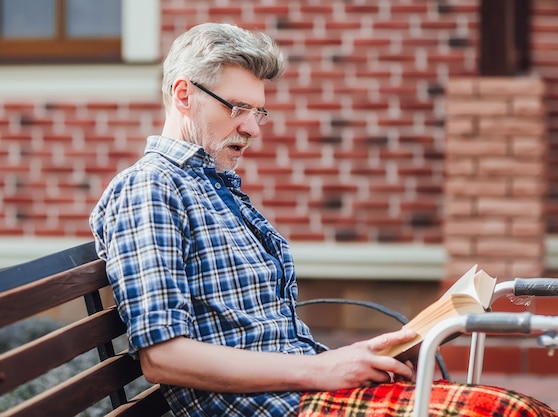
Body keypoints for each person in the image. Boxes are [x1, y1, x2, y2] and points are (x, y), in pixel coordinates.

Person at [89, 22, 417, 417]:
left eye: (257, 111)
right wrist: (323, 369)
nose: (250, 128)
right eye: (237, 108)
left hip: (303, 397)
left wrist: (356, 360)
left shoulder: (211, 186)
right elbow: (164, 358)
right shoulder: (150, 187)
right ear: (184, 95)